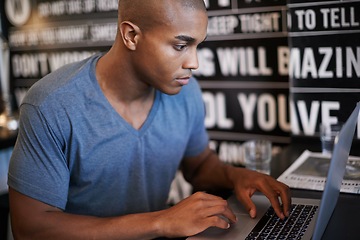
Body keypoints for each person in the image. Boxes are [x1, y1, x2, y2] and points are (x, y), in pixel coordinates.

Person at [8, 0, 291, 239]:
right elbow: (30, 228)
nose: (194, 63)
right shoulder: (51, 105)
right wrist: (161, 221)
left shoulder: (186, 90)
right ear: (131, 35)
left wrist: (237, 176)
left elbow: (199, 165)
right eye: (181, 46)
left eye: (197, 46)